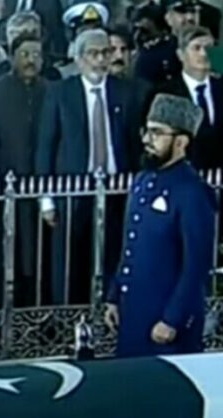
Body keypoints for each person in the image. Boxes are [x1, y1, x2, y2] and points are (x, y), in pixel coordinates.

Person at [35, 29, 146, 305]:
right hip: (73, 192)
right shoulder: (60, 93)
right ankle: (71, 319)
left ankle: (111, 314)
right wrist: (46, 200)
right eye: (93, 54)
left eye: (105, 53)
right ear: (79, 58)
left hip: (117, 191)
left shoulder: (127, 92)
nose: (100, 60)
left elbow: (136, 147)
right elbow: (46, 146)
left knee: (115, 257)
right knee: (70, 262)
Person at [105, 93, 215, 357]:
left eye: (157, 133)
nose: (147, 139)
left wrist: (172, 318)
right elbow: (130, 245)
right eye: (147, 131)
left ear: (181, 142)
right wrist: (114, 296)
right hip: (133, 313)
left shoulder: (192, 191)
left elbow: (196, 265)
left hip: (164, 322)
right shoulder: (142, 181)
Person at [0, 33, 47, 307]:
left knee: (38, 256)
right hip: (4, 186)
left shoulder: (51, 90)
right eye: (24, 54)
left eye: (36, 55)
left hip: (40, 187)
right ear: (11, 57)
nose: (30, 60)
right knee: (3, 256)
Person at [160, 26, 223, 170]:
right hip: (184, 174)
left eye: (208, 47)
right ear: (180, 54)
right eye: (196, 48)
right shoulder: (167, 94)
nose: (204, 53)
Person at [134, 0, 200, 85]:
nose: (190, 17)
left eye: (194, 11)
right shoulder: (152, 55)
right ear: (168, 17)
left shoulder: (212, 49)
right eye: (182, 12)